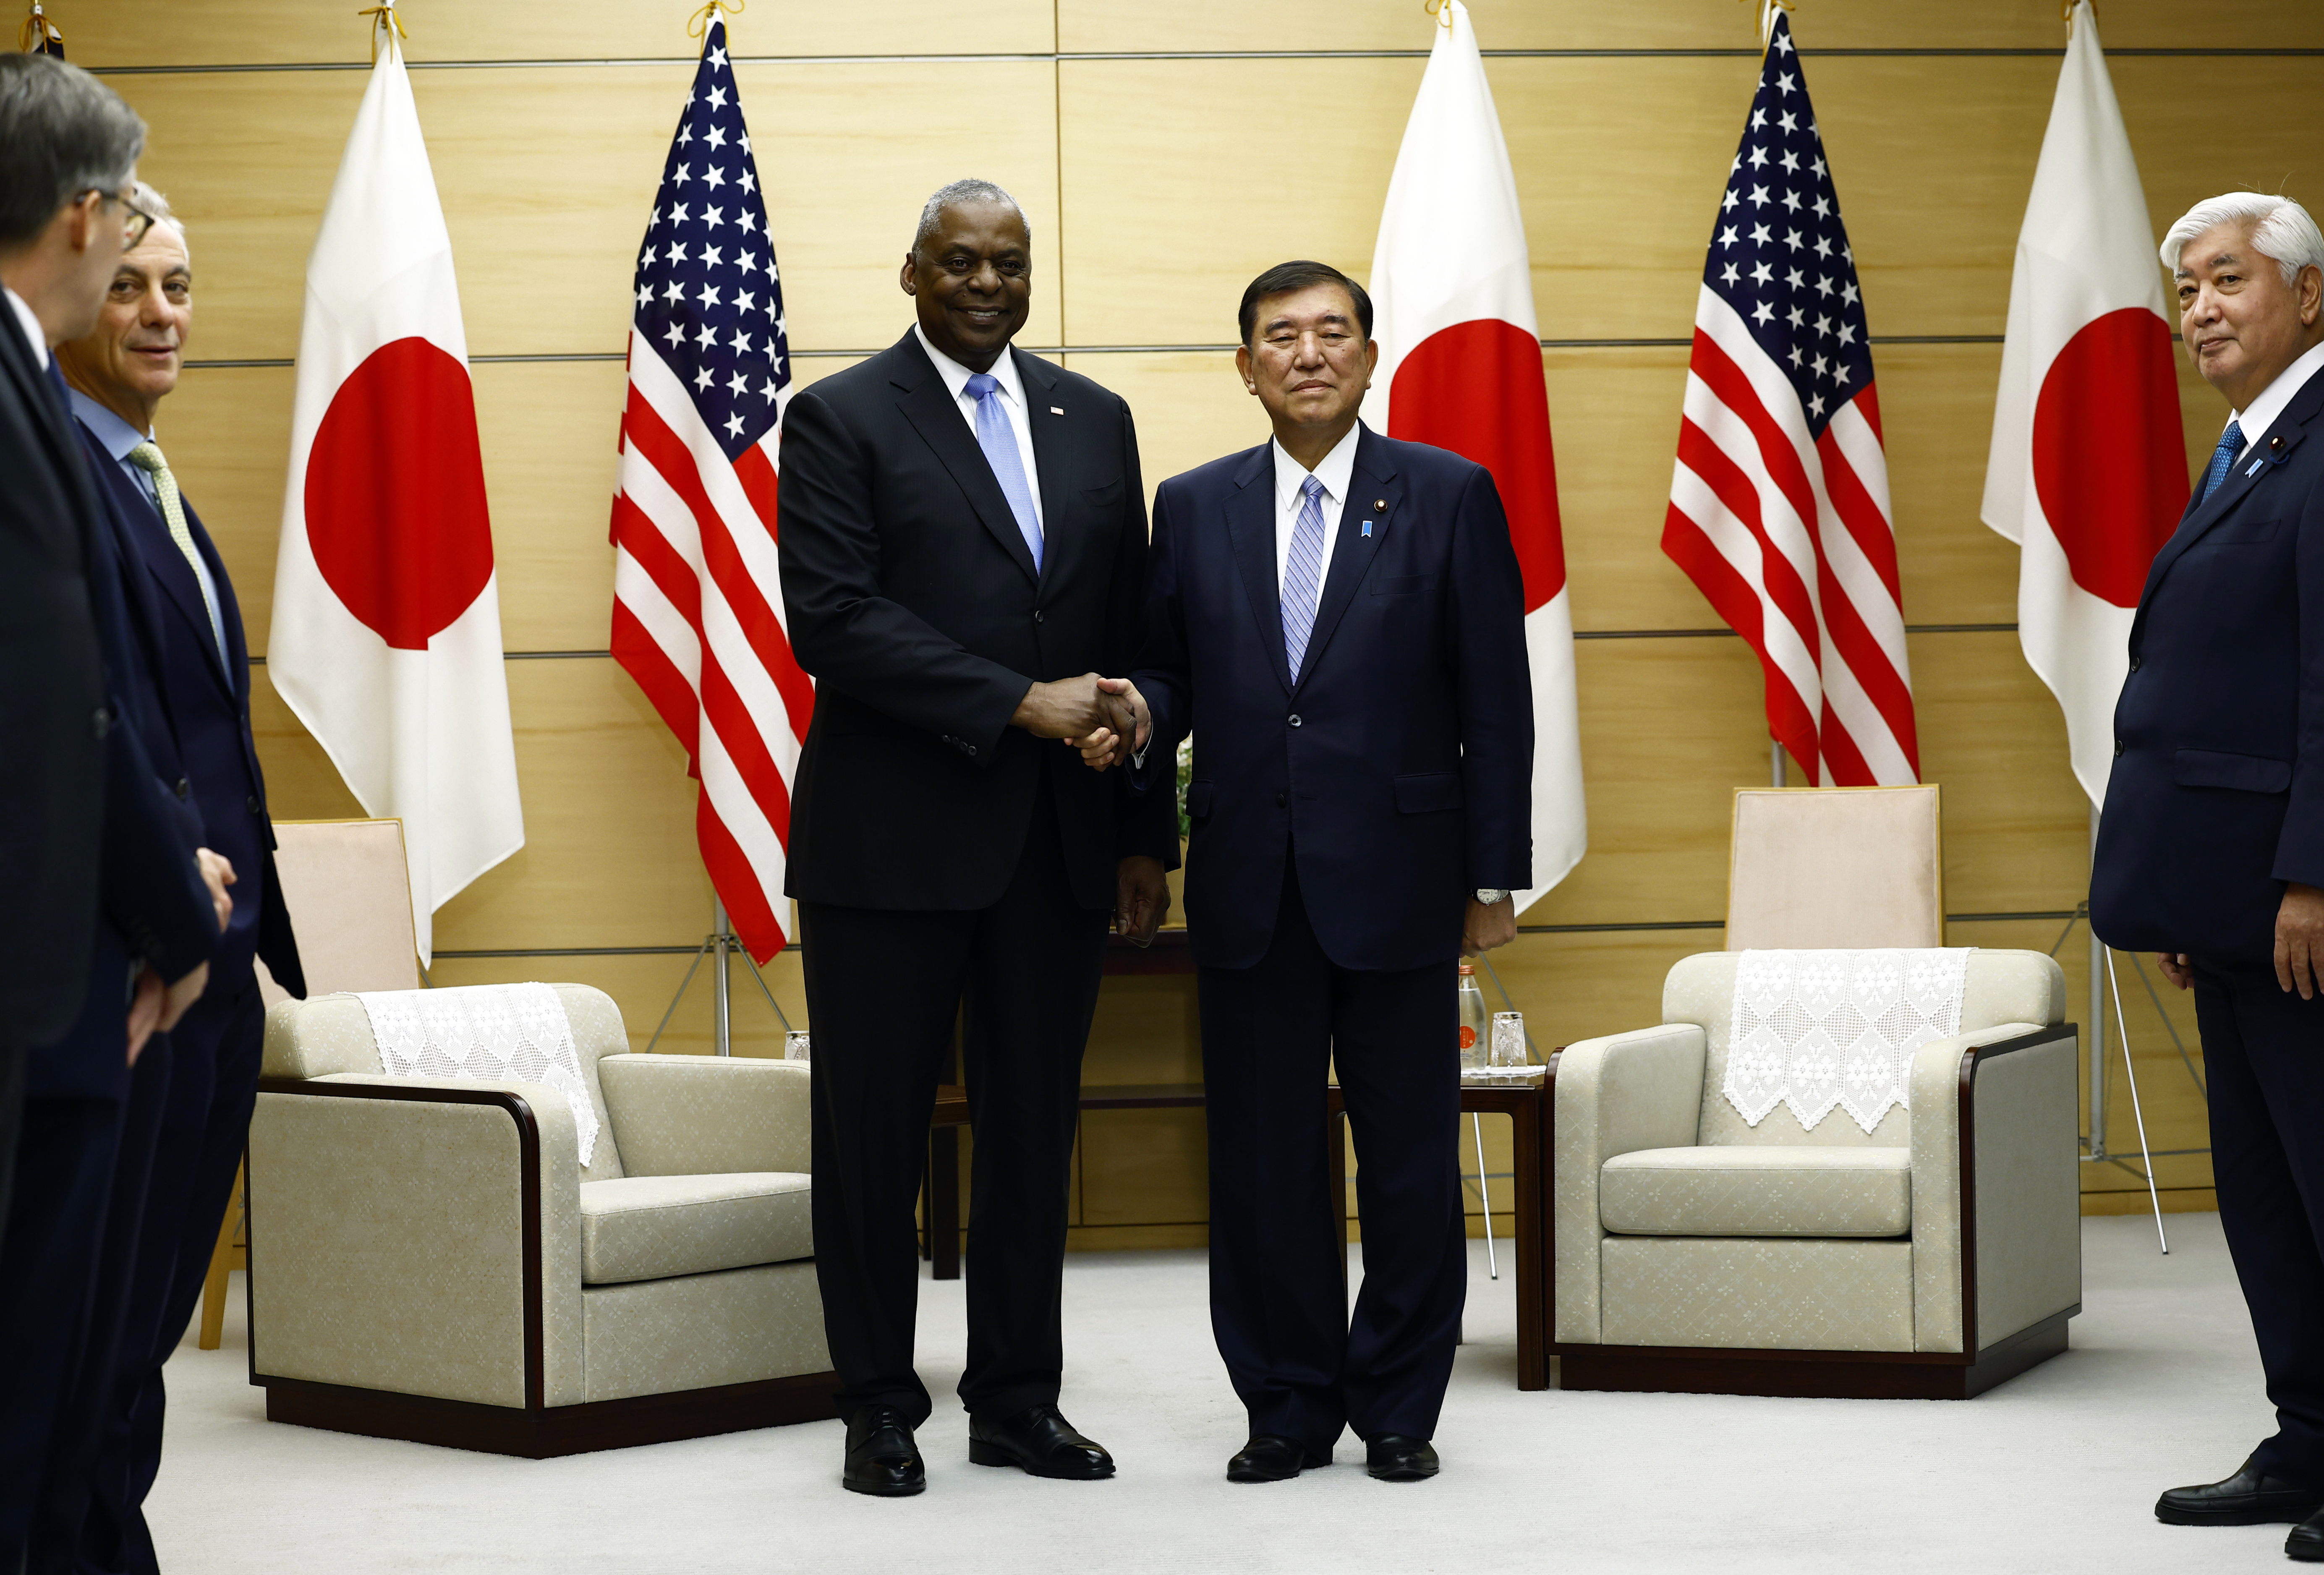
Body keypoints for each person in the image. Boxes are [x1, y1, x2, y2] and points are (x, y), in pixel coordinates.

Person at [1097, 260, 1532, 1484]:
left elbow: (1494, 702)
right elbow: (1160, 678)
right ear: (1245, 368)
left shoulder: (1447, 496)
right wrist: (1143, 822)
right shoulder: (1190, 506)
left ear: (1370, 354)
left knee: (1404, 1161)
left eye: (1331, 331)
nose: (1307, 353)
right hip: (1249, 883)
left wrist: (1494, 874)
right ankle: (1286, 1402)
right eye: (1279, 336)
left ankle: (1397, 1402)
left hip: (1402, 882)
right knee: (1262, 1163)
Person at [775, 178, 1173, 1497]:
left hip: (1054, 852)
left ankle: (1015, 1400)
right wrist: (1016, 703)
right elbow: (831, 619)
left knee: (1028, 1140)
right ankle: (877, 1407)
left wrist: (1138, 827)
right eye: (961, 262)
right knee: (874, 1143)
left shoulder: (1095, 420)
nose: (988, 282)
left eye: (1009, 261)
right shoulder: (838, 417)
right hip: (888, 853)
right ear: (910, 273)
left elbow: (1125, 638)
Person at [46, 185, 305, 1575]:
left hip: (222, 971)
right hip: (134, 967)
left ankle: (111, 1528)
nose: (161, 315)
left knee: (141, 1328)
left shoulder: (155, 475)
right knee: (97, 1320)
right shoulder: (57, 476)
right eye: (134, 286)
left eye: (182, 287)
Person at [0, 53, 222, 1572]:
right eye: (131, 256)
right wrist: (173, 909)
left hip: (112, 947)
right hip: (68, 971)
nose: (152, 302)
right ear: (84, 219)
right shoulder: (29, 410)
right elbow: (68, 706)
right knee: (40, 1359)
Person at [2088, 191, 2324, 1562]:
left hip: (2299, 910)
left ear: (2304, 293)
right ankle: (2306, 1437)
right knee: (2266, 1191)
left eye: (2226, 280)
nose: (2199, 310)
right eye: (2184, 290)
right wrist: (2191, 890)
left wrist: (2309, 877)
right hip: (2230, 903)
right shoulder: (2248, 447)